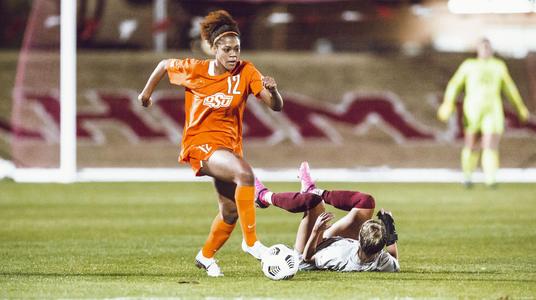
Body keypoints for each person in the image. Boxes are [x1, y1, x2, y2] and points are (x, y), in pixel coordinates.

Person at [138, 10, 284, 277]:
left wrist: (273, 90)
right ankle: (252, 244)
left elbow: (276, 106)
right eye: (227, 49)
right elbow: (162, 65)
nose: (233, 54)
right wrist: (146, 95)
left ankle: (205, 257)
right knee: (245, 173)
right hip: (200, 144)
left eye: (236, 49)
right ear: (214, 49)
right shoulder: (196, 69)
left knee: (230, 212)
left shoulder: (246, 71)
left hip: (228, 149)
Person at [255, 162, 400, 272]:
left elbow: (307, 257)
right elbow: (394, 261)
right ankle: (314, 190)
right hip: (338, 242)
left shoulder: (338, 255)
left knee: (312, 201)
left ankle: (263, 196)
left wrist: (316, 231)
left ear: (359, 239)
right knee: (366, 202)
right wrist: (390, 227)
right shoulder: (381, 260)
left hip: (311, 250)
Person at [437, 38, 530, 188]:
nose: (486, 50)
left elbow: (510, 88)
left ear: (491, 49)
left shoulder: (498, 66)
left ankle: (491, 179)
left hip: (492, 110)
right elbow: (455, 84)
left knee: (490, 144)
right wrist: (448, 103)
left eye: (488, 47)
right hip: (472, 110)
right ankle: (467, 176)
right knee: (471, 144)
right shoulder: (468, 65)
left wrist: (520, 107)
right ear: (478, 50)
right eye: (483, 47)